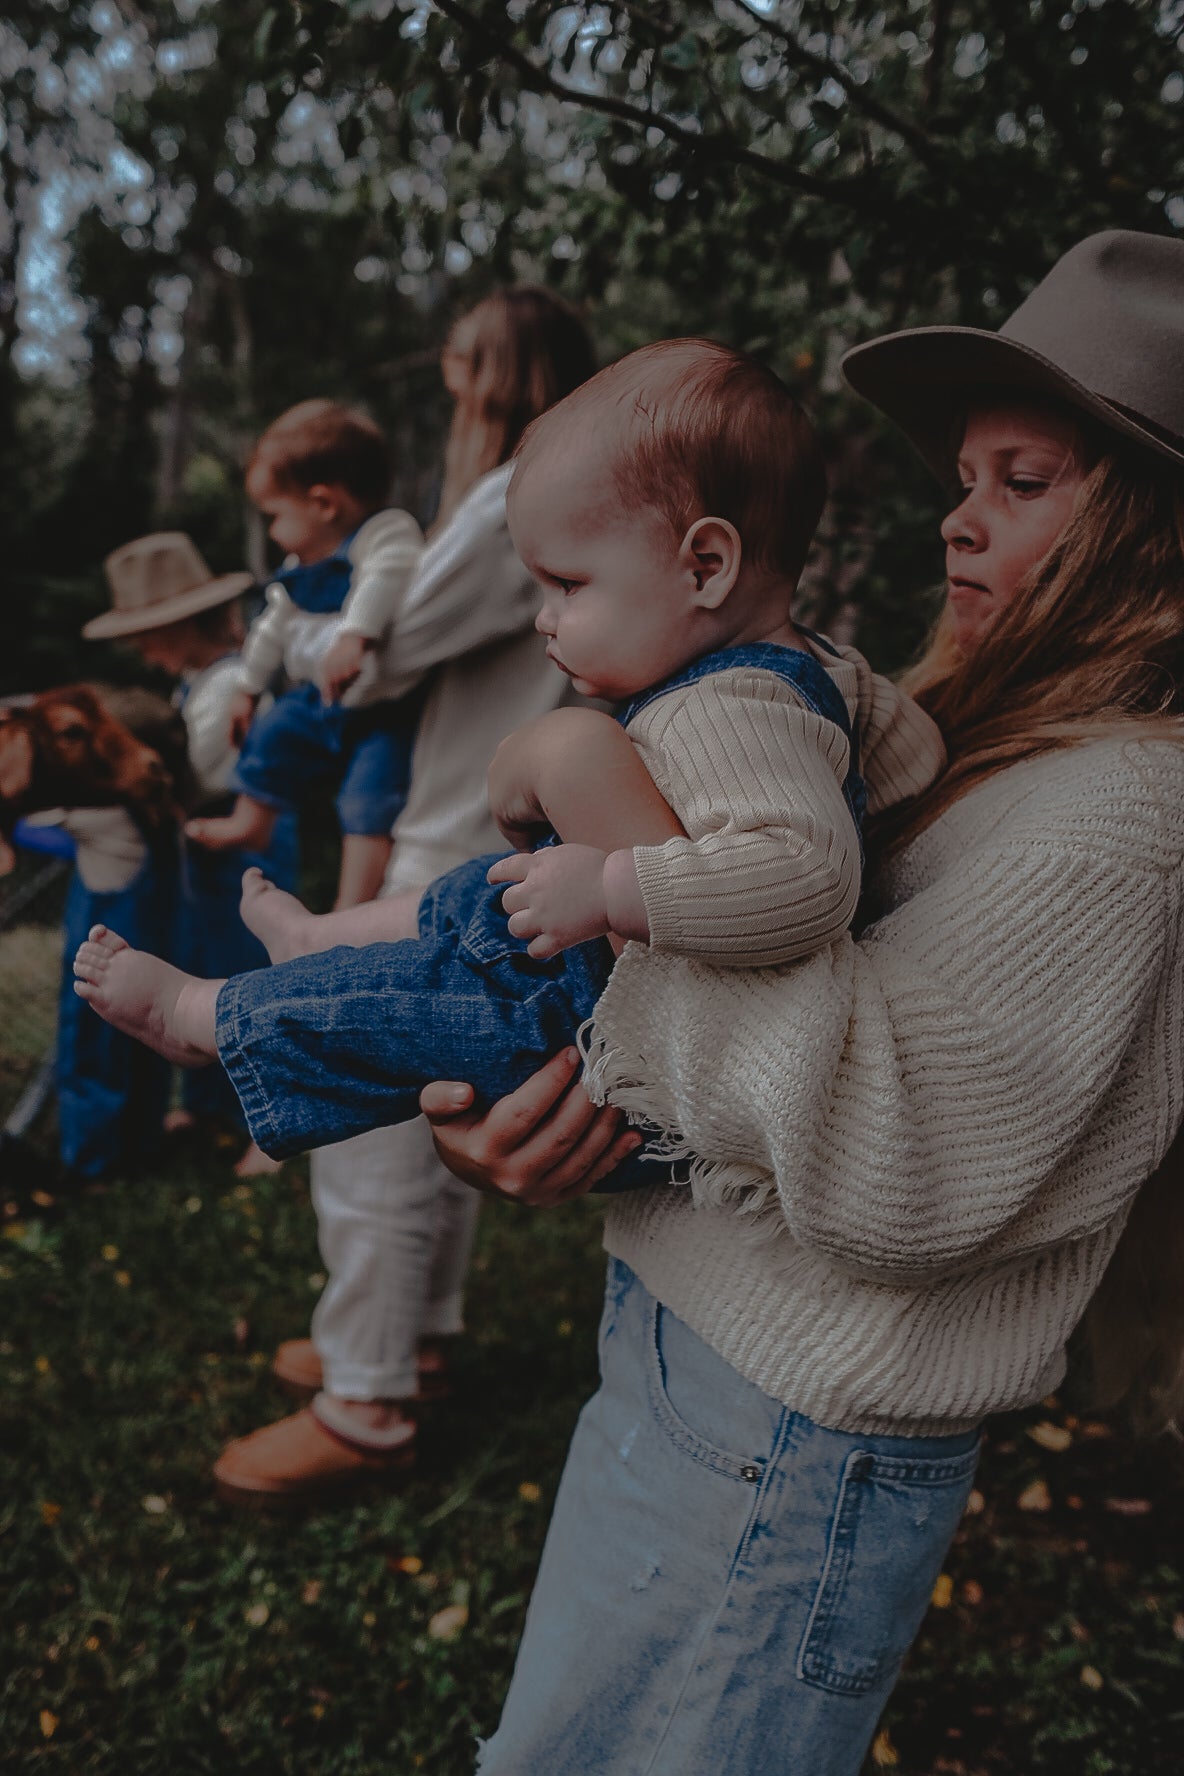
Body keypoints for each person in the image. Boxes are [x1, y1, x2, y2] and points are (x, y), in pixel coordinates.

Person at [395, 229, 1184, 1774]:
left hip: (793, 1435)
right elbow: (769, 1029)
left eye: (1024, 482)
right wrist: (565, 1116)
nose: (959, 518)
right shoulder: (969, 729)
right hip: (708, 1356)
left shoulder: (1126, 822)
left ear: (1156, 531)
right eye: (967, 476)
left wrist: (593, 795)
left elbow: (904, 1160)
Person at [75, 339, 947, 1179]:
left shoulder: (734, 707)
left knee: (428, 999)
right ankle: (312, 939)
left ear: (706, 566)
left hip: (609, 1033)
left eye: (568, 585)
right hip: (611, 973)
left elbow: (809, 875)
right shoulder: (822, 670)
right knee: (481, 896)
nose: (543, 617)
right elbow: (920, 761)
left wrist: (611, 887)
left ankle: (211, 1017)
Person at [203, 286, 596, 1500]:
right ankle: (406, 1344)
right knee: (431, 1106)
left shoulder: (516, 495)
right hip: (482, 837)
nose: (444, 374)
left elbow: (382, 652)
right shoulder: (558, 492)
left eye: (460, 359)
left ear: (497, 373)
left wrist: (291, 651)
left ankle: (364, 1402)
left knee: (368, 1128)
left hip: (451, 843)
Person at [62, 532, 298, 1177]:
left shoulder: (231, 688)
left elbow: (191, 768)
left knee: (249, 973)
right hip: (204, 853)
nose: (141, 649)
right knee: (203, 966)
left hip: (241, 844)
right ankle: (210, 1105)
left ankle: (270, 1126)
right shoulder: (196, 686)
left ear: (184, 625)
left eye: (148, 633)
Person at [184, 400, 425, 912]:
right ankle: (251, 821)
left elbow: (388, 573)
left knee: (370, 797)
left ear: (323, 503)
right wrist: (249, 688)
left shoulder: (385, 532)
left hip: (382, 710)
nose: (273, 531)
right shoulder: (298, 566)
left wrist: (355, 636)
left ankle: (353, 903)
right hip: (318, 700)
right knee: (272, 733)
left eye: (274, 515)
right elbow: (271, 628)